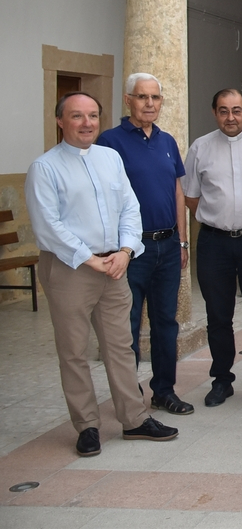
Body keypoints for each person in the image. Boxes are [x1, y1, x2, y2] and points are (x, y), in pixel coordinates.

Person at [27, 92, 178, 456]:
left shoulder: (110, 158)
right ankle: (87, 426)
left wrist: (126, 251)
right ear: (60, 121)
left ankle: (134, 419)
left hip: (115, 267)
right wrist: (90, 259)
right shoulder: (45, 167)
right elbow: (48, 225)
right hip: (70, 270)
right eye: (77, 116)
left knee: (121, 347)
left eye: (93, 115)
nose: (87, 123)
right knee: (74, 351)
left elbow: (130, 206)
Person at [96, 73, 192, 416]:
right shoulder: (109, 142)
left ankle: (164, 391)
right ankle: (129, 397)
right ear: (128, 101)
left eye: (155, 98)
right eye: (142, 97)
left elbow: (177, 192)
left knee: (167, 322)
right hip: (130, 250)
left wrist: (182, 242)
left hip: (167, 246)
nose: (149, 104)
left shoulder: (167, 141)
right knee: (128, 325)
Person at [183, 88, 242, 407]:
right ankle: (222, 380)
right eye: (224, 111)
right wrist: (216, 219)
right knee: (218, 315)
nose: (231, 117)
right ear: (215, 113)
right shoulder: (200, 148)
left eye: (236, 110)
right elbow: (191, 196)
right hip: (215, 243)